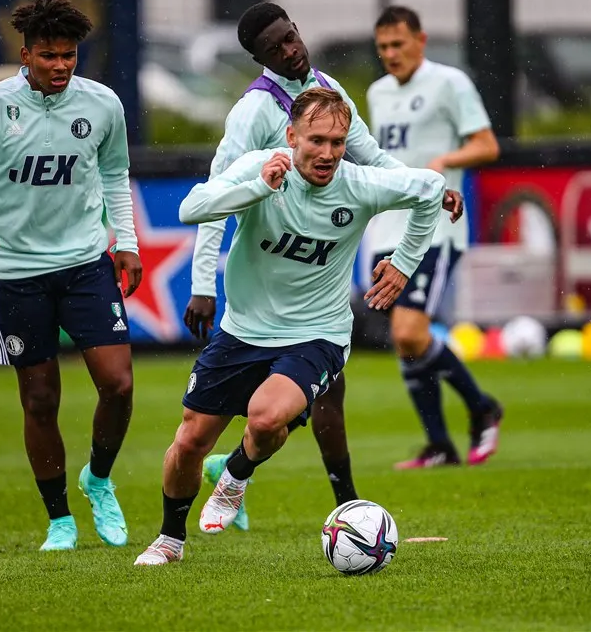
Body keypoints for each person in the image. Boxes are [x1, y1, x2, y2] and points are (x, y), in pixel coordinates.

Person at [134, 88, 456, 566]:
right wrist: (259, 187)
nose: (327, 153)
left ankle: (236, 474)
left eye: (338, 142)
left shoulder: (361, 184)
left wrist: (404, 263)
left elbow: (430, 188)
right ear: (291, 136)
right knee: (189, 442)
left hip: (317, 334)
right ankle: (170, 540)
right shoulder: (261, 168)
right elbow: (192, 208)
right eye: (316, 140)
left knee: (266, 418)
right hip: (242, 331)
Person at [187, 2, 428, 530]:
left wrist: (425, 187)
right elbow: (214, 197)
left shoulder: (327, 89)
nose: (291, 50)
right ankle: (264, 477)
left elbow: (374, 160)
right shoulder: (252, 112)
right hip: (266, 282)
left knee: (327, 392)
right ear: (259, 59)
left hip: (314, 289)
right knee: (289, 403)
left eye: (290, 36)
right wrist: (203, 284)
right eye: (275, 48)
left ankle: (342, 503)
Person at [0, 0, 143, 551]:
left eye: (69, 55)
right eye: (49, 55)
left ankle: (99, 479)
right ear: (25, 55)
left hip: (86, 264)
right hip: (18, 274)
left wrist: (127, 243)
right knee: (41, 400)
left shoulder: (102, 104)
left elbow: (116, 174)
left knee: (119, 385)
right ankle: (60, 520)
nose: (61, 65)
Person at [365, 6, 504, 468]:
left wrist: (445, 161)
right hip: (388, 228)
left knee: (409, 330)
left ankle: (482, 407)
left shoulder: (450, 82)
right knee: (406, 339)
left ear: (420, 41)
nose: (390, 54)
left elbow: (487, 144)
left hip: (435, 229)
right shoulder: (378, 93)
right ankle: (440, 445)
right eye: (383, 47)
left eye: (398, 44)